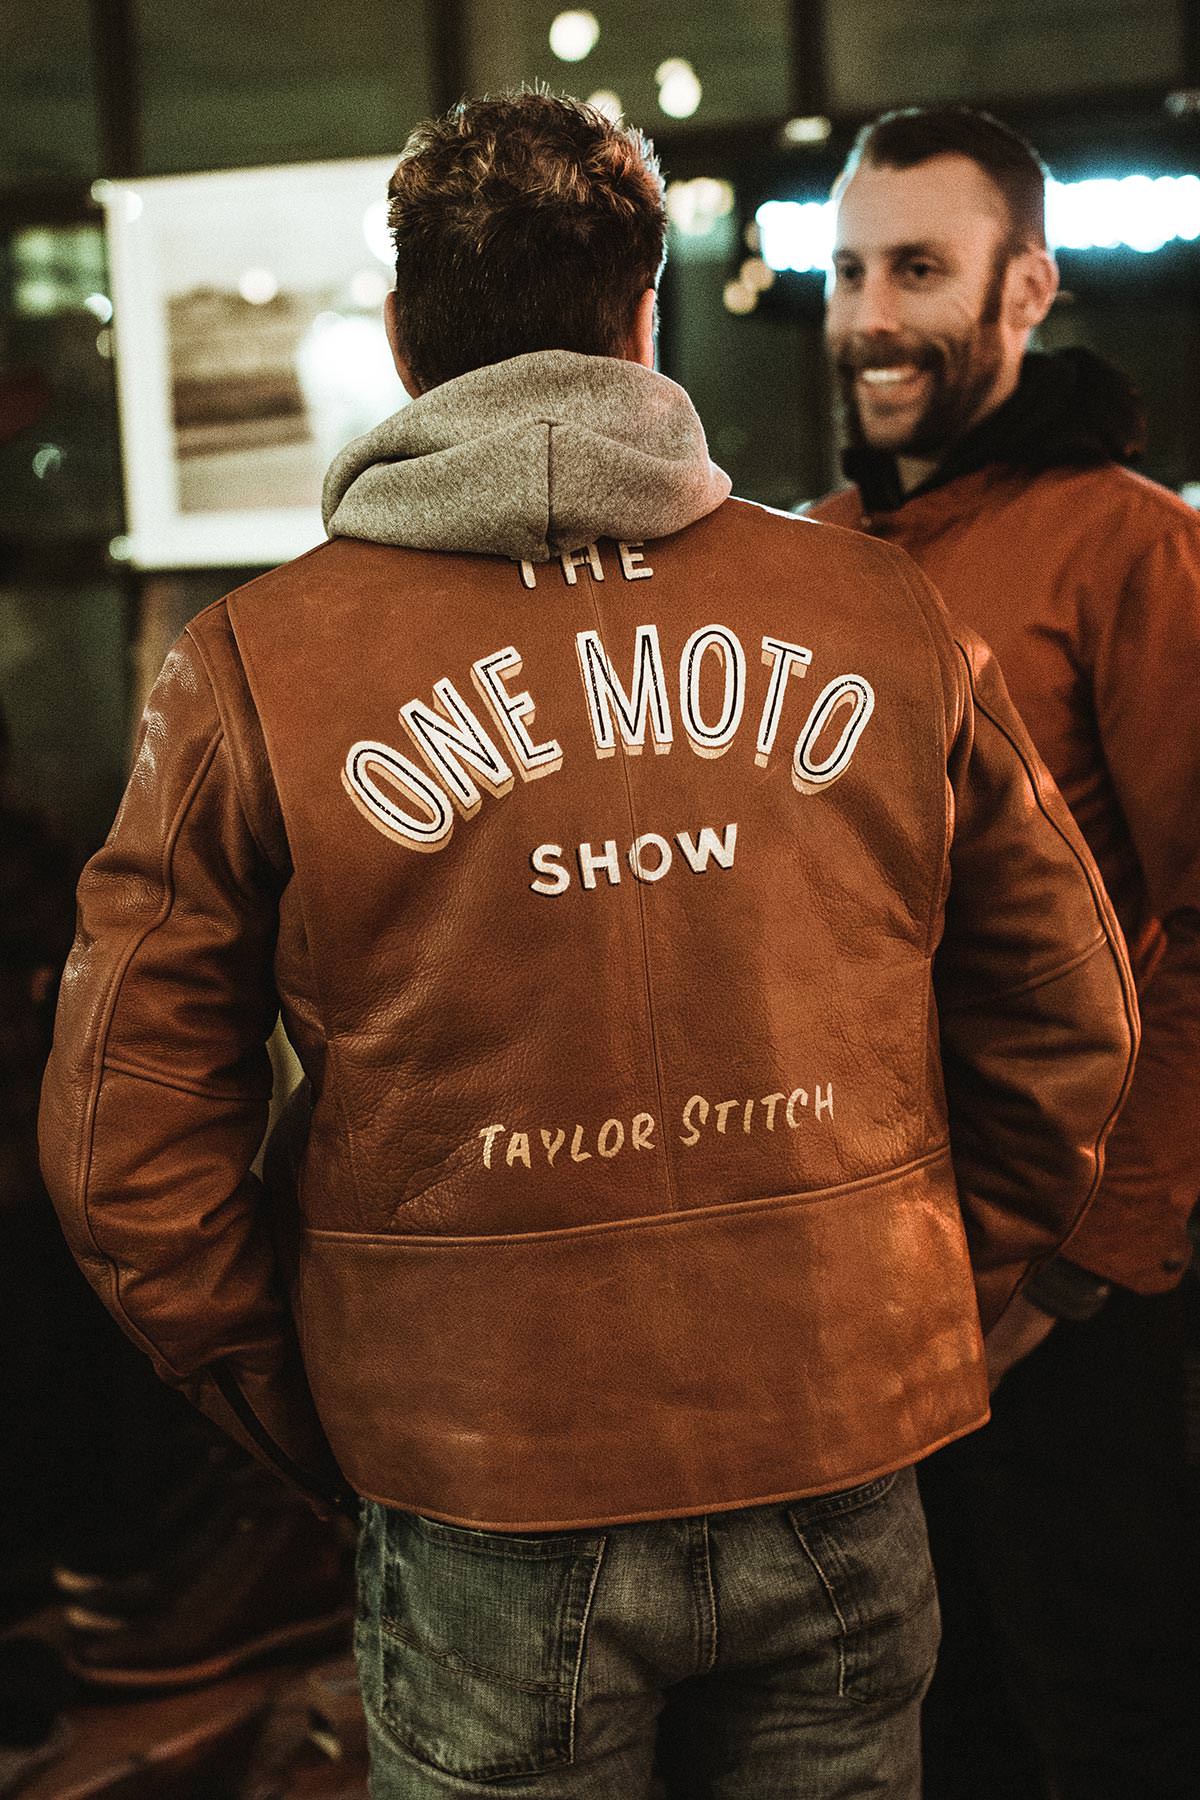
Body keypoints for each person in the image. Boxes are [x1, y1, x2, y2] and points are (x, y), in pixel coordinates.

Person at [41, 92, 1138, 1798]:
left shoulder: (255, 664)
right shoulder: (880, 610)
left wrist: (326, 1409)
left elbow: (123, 1149)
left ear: (406, 340)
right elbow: (1071, 1018)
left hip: (479, 1486)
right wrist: (914, 1306)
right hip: (842, 1446)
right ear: (644, 319)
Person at [808, 104, 1200, 1799]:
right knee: (926, 1724)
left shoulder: (1128, 543)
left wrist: (1092, 1259)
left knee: (1105, 1715)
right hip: (878, 1295)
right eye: (846, 272)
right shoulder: (811, 555)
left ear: (1026, 288)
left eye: (918, 269)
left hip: (1074, 1295)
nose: (871, 315)